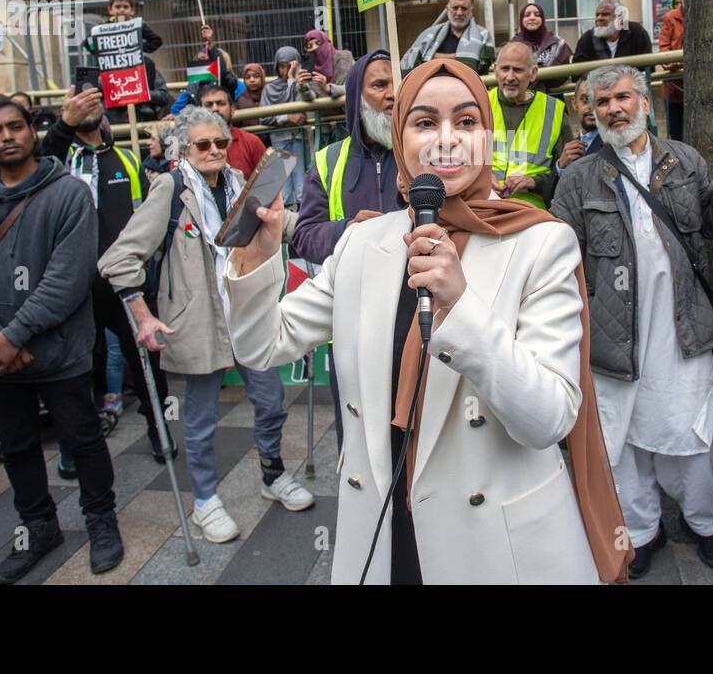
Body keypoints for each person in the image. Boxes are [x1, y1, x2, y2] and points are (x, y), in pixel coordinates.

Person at [224, 59, 630, 585]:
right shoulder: (362, 243)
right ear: (399, 140)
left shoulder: (541, 243)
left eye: (466, 122)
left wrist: (461, 307)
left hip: (494, 545)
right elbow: (263, 346)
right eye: (422, 122)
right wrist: (257, 261)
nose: (446, 139)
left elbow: (548, 420)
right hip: (386, 528)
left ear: (487, 138)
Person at [552, 65, 713, 579]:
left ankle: (704, 524)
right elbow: (555, 252)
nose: (613, 108)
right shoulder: (579, 177)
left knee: (694, 436)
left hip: (685, 331)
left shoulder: (686, 162)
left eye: (622, 97)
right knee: (624, 445)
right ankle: (642, 531)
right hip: (614, 341)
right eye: (602, 101)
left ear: (646, 102)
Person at [98, 107, 314, 544]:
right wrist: (143, 315)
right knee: (200, 420)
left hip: (247, 309)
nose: (215, 150)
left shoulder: (241, 182)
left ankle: (272, 474)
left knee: (271, 401)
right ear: (184, 149)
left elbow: (281, 222)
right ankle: (204, 501)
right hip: (197, 318)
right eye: (203, 145)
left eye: (221, 142)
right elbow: (119, 258)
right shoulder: (169, 187)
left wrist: (329, 233)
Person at [0, 97, 123, 584]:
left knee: (83, 441)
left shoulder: (69, 193)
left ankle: (102, 521)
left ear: (31, 130)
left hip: (60, 353)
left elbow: (69, 277)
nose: (7, 136)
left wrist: (15, 334)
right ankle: (38, 528)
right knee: (16, 447)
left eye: (15, 126)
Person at [39, 84, 174, 464]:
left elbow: (144, 216)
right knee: (75, 369)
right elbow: (42, 161)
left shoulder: (127, 160)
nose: (88, 106)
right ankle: (72, 446)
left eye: (95, 100)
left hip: (122, 283)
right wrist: (63, 125)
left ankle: (159, 430)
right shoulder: (57, 159)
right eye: (78, 101)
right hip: (71, 284)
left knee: (145, 358)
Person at [292, 50, 404, 448]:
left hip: (413, 327)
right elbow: (304, 236)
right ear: (357, 96)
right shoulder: (327, 162)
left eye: (397, 83)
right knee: (359, 446)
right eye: (380, 85)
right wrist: (348, 232)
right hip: (351, 328)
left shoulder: (422, 154)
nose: (393, 94)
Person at [488, 42, 573, 209]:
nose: (510, 77)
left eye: (518, 70)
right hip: (483, 210)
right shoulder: (478, 104)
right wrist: (480, 177)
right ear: (495, 71)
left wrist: (534, 182)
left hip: (532, 217)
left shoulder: (554, 111)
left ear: (533, 73)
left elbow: (568, 173)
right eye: (505, 69)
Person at [103, 0, 172, 123]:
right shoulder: (103, 28)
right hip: (114, 115)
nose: (122, 10)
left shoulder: (139, 26)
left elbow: (156, 40)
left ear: (132, 10)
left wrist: (138, 49)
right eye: (118, 7)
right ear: (110, 10)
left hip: (142, 113)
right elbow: (89, 43)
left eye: (125, 7)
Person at [260, 46, 316, 208]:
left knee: (301, 186)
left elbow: (308, 100)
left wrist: (296, 81)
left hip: (299, 139)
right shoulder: (269, 89)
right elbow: (264, 117)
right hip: (280, 141)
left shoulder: (301, 83)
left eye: (290, 66)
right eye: (282, 66)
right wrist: (287, 117)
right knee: (284, 189)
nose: (286, 70)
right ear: (276, 67)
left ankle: (302, 221)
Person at [399, 0, 495, 75]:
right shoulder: (429, 34)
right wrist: (459, 58)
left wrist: (434, 57)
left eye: (464, 8)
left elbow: (484, 66)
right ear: (447, 8)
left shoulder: (483, 35)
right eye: (455, 7)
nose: (459, 13)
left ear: (471, 10)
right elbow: (414, 60)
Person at [197, 82, 267, 179]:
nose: (215, 109)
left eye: (221, 103)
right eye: (208, 105)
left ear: (232, 109)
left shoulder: (252, 142)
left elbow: (271, 183)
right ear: (198, 111)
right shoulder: (190, 147)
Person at [510, 2, 572, 90]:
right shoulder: (512, 46)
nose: (532, 18)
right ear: (521, 20)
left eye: (537, 15)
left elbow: (564, 73)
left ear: (542, 19)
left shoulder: (557, 43)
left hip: (552, 96)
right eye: (527, 15)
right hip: (519, 97)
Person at [572, 0, 654, 63]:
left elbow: (648, 67)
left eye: (605, 14)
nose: (599, 18)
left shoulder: (636, 32)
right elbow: (576, 74)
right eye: (597, 15)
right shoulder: (587, 38)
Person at [657, 0, 686, 142]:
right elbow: (664, 49)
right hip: (675, 88)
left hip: (701, 86)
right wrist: (672, 62)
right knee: (676, 135)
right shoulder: (670, 17)